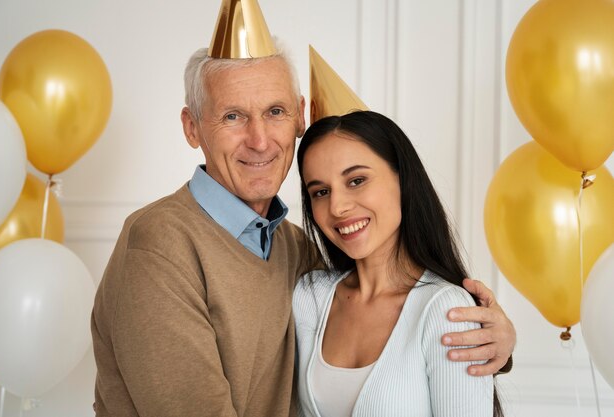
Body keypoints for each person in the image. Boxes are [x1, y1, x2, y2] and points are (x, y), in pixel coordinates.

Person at [91, 1, 514, 416]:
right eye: (233, 116)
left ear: (300, 117)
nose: (259, 140)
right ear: (192, 127)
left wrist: (497, 341)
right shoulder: (159, 242)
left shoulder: (298, 253)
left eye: (275, 111)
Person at [294, 110, 504, 417]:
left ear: (403, 179)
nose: (337, 207)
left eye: (356, 180)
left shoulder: (447, 310)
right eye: (321, 192)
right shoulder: (309, 296)